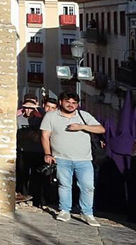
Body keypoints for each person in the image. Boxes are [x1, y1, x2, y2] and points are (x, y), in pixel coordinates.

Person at [42, 90, 104, 225]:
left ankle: (87, 213)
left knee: (88, 186)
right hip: (61, 157)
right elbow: (45, 136)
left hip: (84, 159)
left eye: (74, 103)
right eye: (68, 102)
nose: (71, 105)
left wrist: (82, 126)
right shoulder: (51, 116)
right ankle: (64, 210)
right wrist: (48, 153)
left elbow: (101, 129)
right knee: (64, 185)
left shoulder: (84, 115)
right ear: (61, 102)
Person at [14, 96, 43, 204]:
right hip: (23, 149)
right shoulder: (18, 118)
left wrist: (38, 109)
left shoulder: (39, 119)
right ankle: (22, 193)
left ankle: (34, 196)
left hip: (36, 150)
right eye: (26, 108)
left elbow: (46, 117)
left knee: (36, 174)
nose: (28, 110)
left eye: (31, 108)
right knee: (22, 173)